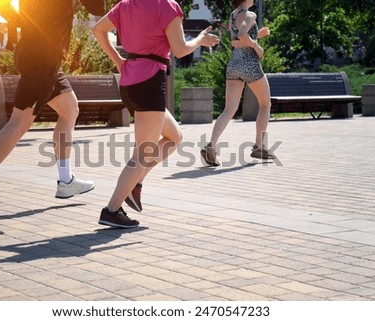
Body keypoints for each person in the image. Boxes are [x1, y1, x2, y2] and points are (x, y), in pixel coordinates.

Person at [0, 0, 106, 215]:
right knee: (20, 122)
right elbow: (97, 8)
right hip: (42, 60)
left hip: (41, 55)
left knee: (69, 109)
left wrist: (27, 24)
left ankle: (66, 180)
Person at [92, 0, 220, 228]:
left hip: (130, 82)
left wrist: (119, 61)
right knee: (143, 153)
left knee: (174, 137)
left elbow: (98, 29)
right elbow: (180, 50)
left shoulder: (125, 4)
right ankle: (111, 210)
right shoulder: (167, 6)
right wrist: (201, 39)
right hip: (149, 82)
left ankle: (135, 183)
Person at [201, 0, 275, 166]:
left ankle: (211, 147)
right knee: (265, 104)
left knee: (229, 109)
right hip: (249, 62)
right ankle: (259, 146)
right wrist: (257, 46)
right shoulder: (250, 14)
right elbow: (242, 35)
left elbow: (237, 37)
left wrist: (258, 34)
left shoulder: (232, 15)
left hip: (234, 62)